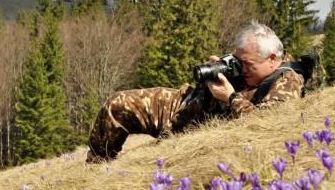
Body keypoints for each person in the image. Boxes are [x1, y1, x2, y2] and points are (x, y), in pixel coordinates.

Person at [86, 22, 306, 163]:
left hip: (202, 127)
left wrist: (230, 97)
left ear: (272, 59)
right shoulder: (248, 68)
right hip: (186, 104)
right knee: (118, 104)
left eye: (248, 64)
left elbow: (265, 127)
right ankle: (97, 166)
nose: (243, 69)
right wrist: (222, 70)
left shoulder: (287, 81)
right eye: (238, 61)